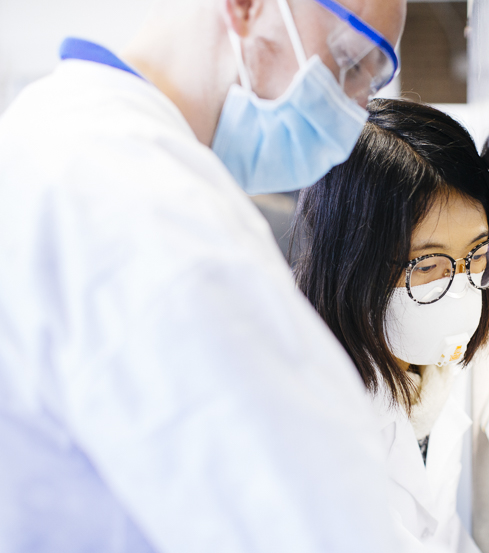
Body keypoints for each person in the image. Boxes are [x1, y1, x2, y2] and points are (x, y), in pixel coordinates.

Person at [0, 0, 406, 552]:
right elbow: (313, 527)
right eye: (349, 62)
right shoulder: (154, 208)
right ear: (247, 7)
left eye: (371, 84)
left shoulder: (51, 125)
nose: (355, 108)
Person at [291, 99, 489, 552]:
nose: (460, 287)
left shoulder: (426, 377)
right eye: (427, 263)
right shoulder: (310, 423)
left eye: (475, 255)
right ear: (352, 263)